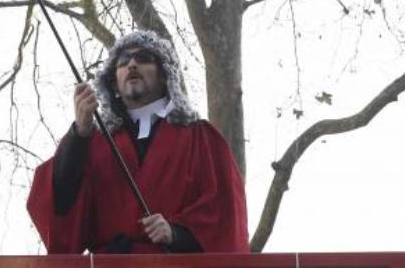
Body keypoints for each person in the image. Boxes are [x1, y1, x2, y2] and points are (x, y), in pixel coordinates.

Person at [26, 30, 248, 254]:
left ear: (164, 75)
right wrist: (79, 134)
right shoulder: (94, 141)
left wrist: (177, 233)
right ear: (113, 82)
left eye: (143, 58)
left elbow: (225, 215)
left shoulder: (200, 137)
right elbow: (61, 206)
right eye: (123, 62)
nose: (132, 64)